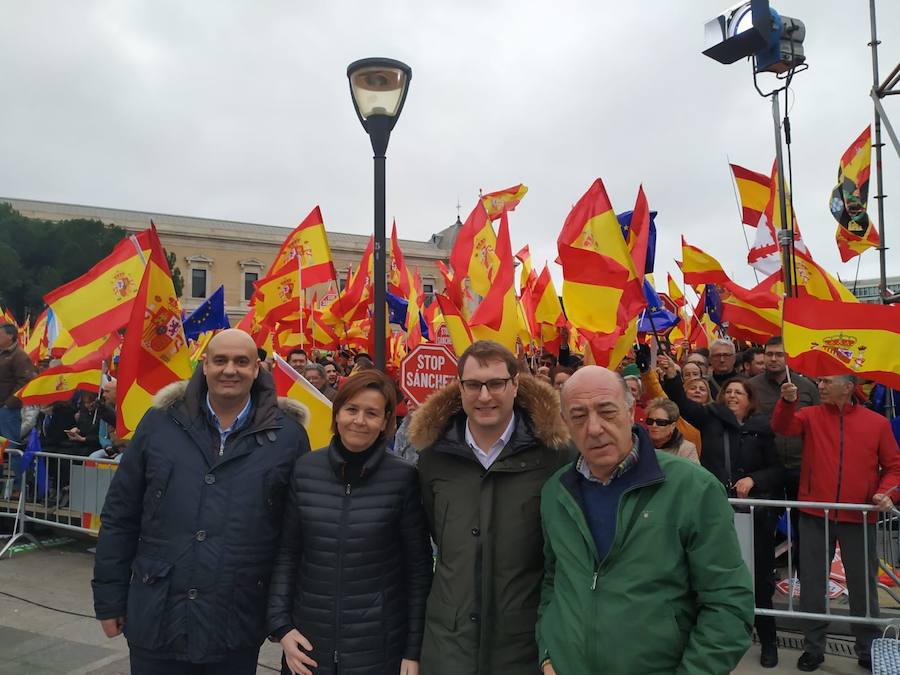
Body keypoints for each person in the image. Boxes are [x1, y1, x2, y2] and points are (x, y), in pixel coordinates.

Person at [92, 329, 312, 674]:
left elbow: (292, 537)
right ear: (204, 365)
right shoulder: (160, 422)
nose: (230, 370)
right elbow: (121, 513)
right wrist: (108, 599)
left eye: (242, 362)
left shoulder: (288, 437)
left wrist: (281, 616)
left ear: (257, 369)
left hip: (234, 621)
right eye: (221, 360)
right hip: (156, 613)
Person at [537, 366, 754, 674]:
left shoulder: (693, 488)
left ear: (630, 412)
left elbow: (728, 604)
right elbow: (552, 582)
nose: (595, 427)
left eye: (606, 411)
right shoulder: (555, 492)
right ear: (566, 424)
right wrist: (548, 653)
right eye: (579, 415)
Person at [409, 340, 572, 675]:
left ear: (515, 384)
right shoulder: (434, 457)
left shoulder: (555, 456)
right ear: (460, 388)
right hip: (449, 648)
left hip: (522, 649)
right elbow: (435, 537)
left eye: (496, 383)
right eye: (473, 385)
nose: (484, 396)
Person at [267, 370, 432, 675]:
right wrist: (281, 625)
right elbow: (287, 553)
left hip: (379, 651)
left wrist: (413, 649)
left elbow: (418, 569)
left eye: (371, 413)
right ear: (337, 413)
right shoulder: (305, 469)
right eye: (351, 410)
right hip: (307, 648)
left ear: (385, 422)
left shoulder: (404, 478)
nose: (359, 420)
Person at [662, 362, 784, 667]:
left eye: (738, 392)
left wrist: (754, 479)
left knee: (758, 580)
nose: (731, 396)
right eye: (727, 391)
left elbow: (777, 470)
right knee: (713, 576)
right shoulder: (711, 418)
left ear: (749, 399)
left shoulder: (762, 428)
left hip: (755, 516)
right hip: (717, 512)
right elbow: (682, 403)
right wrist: (674, 375)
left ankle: (768, 642)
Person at [775, 375, 900, 672]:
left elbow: (894, 466)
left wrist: (887, 492)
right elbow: (782, 427)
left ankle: (867, 647)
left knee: (863, 586)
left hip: (859, 516)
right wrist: (786, 403)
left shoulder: (876, 423)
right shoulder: (808, 416)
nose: (820, 385)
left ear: (847, 386)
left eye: (826, 381)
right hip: (815, 514)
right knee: (813, 585)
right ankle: (813, 648)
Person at [749, 336, 819, 560]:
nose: (773, 359)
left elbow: (818, 423)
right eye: (769, 354)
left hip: (801, 466)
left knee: (805, 527)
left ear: (788, 358)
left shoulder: (807, 386)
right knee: (765, 526)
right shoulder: (751, 386)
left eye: (779, 354)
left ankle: (803, 576)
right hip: (768, 467)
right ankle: (765, 575)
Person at [645, 398, 699, 463]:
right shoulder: (639, 445)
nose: (654, 425)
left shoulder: (687, 449)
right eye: (650, 421)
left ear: (672, 426)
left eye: (661, 422)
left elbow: (692, 473)